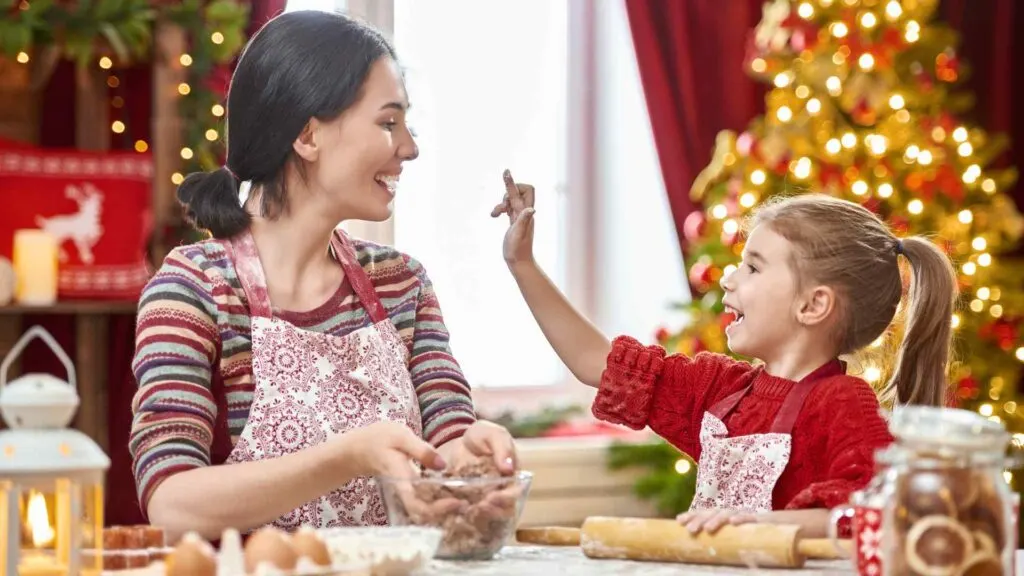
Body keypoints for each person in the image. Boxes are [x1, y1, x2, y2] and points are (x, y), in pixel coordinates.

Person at [129, 11, 516, 543]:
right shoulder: (195, 289)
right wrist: (347, 457)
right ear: (308, 136)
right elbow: (171, 503)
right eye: (387, 122)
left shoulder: (401, 284)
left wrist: (470, 457)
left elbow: (445, 439)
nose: (410, 147)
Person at [491, 171, 958, 538]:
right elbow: (596, 361)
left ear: (813, 305)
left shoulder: (842, 404)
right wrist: (523, 264)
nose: (729, 279)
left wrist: (762, 528)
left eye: (753, 267)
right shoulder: (718, 389)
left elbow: (877, 508)